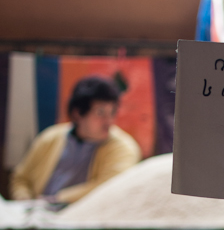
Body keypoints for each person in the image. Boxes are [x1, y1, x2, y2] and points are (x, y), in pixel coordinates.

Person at [10, 76, 141, 204]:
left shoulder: (124, 148)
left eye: (112, 112)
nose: (108, 121)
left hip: (86, 219)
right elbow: (21, 179)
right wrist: (25, 201)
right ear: (77, 113)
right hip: (35, 215)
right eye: (100, 113)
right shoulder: (50, 137)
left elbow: (108, 188)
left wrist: (56, 200)